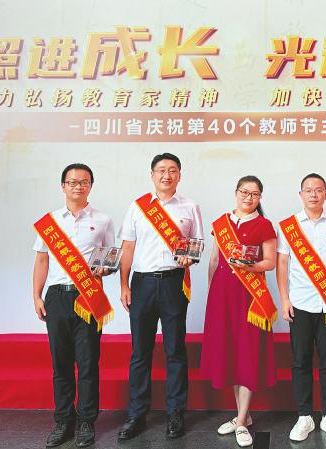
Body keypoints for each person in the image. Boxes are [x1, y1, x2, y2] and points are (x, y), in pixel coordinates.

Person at [116, 153, 204, 441]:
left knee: (174, 349)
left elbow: (196, 244)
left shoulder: (190, 207)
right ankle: (136, 414)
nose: (167, 175)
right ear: (152, 175)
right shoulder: (138, 206)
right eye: (161, 170)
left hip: (173, 283)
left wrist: (190, 258)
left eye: (173, 170)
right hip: (142, 283)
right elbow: (128, 247)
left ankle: (175, 412)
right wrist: (124, 285)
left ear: (180, 175)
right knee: (140, 351)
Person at [32, 163, 116, 449]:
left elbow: (109, 257)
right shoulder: (50, 222)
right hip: (57, 297)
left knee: (88, 362)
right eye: (72, 182)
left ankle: (86, 422)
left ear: (90, 186)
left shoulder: (103, 220)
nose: (78, 186)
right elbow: (41, 261)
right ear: (63, 186)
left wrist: (106, 269)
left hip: (88, 296)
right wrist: (37, 296)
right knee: (61, 363)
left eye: (84, 182)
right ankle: (63, 421)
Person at [201, 176, 278, 448]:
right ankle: (243, 415)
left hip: (250, 298)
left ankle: (242, 420)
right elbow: (214, 260)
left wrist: (250, 267)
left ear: (260, 198)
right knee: (232, 354)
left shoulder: (264, 225)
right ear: (236, 192)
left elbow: (270, 262)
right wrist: (212, 293)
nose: (249, 197)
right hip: (222, 297)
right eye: (245, 192)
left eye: (254, 194)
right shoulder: (221, 223)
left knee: (247, 354)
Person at [276, 173, 326, 442]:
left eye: (318, 190)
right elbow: (282, 264)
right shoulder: (288, 226)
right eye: (308, 190)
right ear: (301, 194)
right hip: (300, 303)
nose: (313, 194)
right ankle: (304, 416)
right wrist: (284, 300)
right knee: (301, 361)